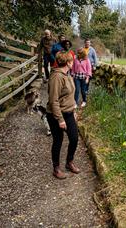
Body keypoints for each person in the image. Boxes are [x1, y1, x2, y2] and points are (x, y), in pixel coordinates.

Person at [46, 51, 80, 179]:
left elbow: (70, 96)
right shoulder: (57, 77)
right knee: (58, 140)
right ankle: (56, 168)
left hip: (68, 113)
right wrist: (60, 119)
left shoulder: (67, 75)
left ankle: (69, 162)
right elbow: (53, 100)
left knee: (74, 138)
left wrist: (73, 111)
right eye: (72, 60)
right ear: (68, 62)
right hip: (56, 115)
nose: (74, 62)